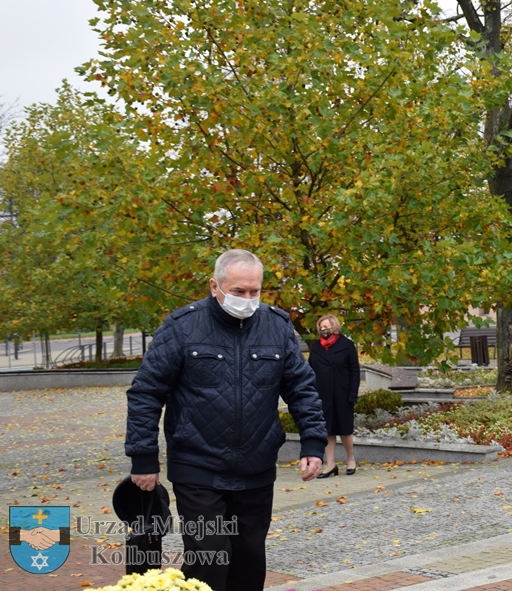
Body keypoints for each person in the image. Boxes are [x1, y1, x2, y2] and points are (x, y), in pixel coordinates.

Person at [125, 249, 327, 591]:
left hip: (257, 467)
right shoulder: (181, 327)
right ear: (215, 286)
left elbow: (302, 388)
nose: (248, 299)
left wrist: (313, 442)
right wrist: (143, 457)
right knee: (210, 556)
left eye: (254, 291)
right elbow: (146, 392)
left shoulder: (277, 326)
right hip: (197, 465)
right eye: (238, 292)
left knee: (249, 558)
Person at [309, 313, 360, 477]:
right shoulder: (316, 347)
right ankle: (330, 464)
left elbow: (355, 371)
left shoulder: (347, 345)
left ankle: (350, 459)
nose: (323, 330)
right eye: (321, 327)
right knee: (327, 430)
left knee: (345, 430)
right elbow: (310, 370)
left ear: (334, 327)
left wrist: (353, 393)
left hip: (343, 393)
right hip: (322, 394)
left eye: (326, 327)